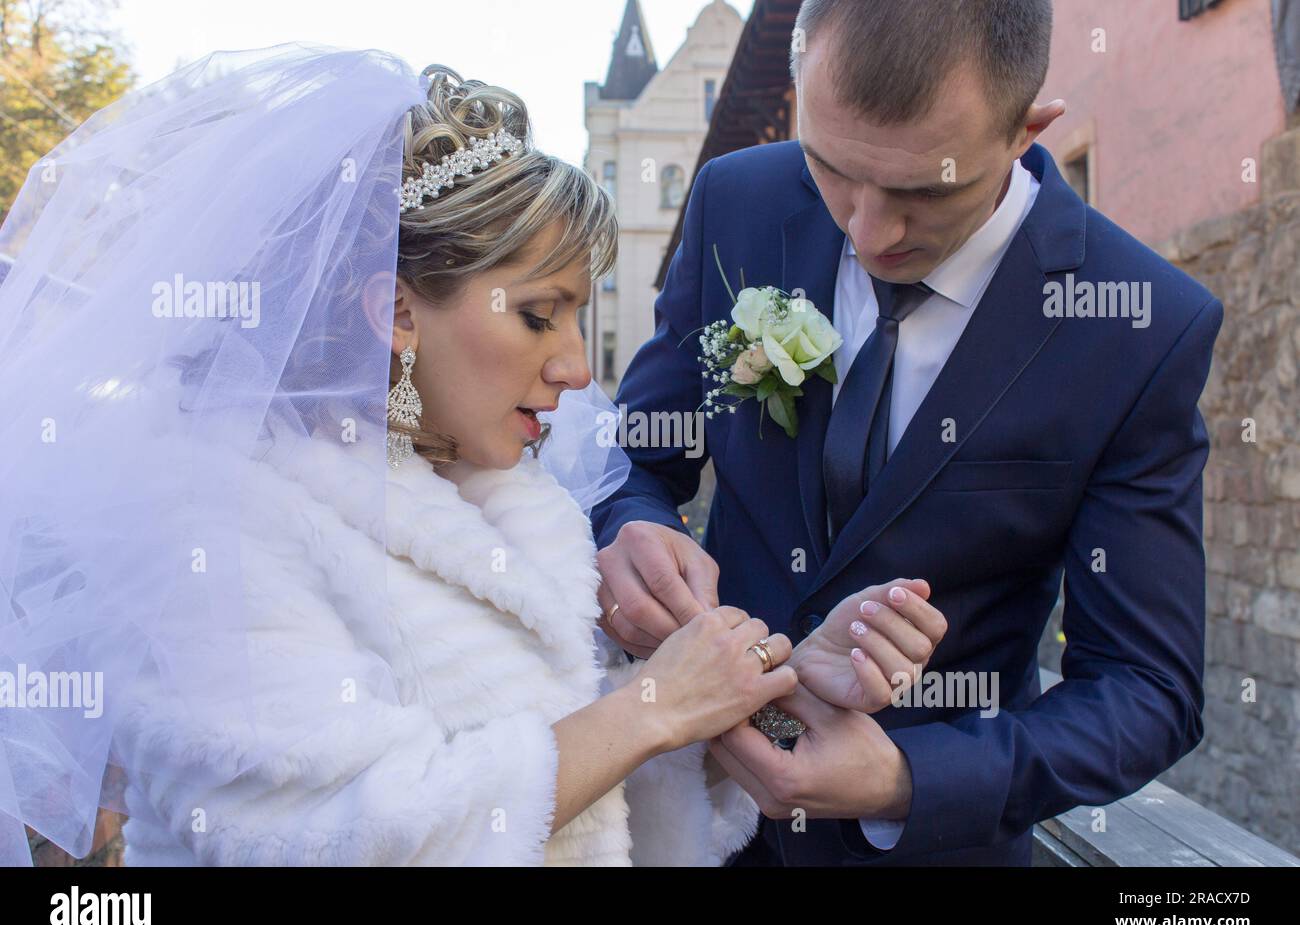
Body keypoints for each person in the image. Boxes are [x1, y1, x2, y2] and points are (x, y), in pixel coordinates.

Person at [0, 46, 800, 866]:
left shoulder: (500, 495)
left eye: (576, 317)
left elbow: (584, 791)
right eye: (537, 316)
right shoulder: (210, 529)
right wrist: (654, 707)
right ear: (397, 314)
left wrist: (773, 692)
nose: (577, 368)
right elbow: (331, 840)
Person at [593, 0, 1221, 866]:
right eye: (831, 168)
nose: (866, 230)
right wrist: (634, 523)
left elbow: (1147, 690)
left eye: (925, 191)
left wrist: (906, 779)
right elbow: (636, 457)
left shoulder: (1142, 326)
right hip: (688, 816)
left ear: (1025, 129)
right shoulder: (734, 201)